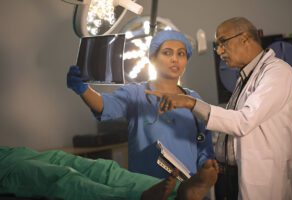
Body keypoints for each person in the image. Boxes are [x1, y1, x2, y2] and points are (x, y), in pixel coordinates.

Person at [145, 17, 292, 200]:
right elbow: (236, 125)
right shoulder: (245, 77)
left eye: (223, 42)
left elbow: (243, 121)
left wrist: (190, 102)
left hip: (261, 179)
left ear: (245, 38)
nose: (219, 51)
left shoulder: (278, 73)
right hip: (231, 177)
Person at [67, 30, 214, 179]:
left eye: (181, 54)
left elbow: (204, 143)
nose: (175, 59)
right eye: (167, 53)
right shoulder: (136, 93)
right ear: (152, 59)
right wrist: (83, 89)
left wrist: (206, 167)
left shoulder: (193, 99)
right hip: (148, 187)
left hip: (186, 188)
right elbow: (104, 105)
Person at [0, 146, 219, 200]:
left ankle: (183, 191)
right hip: (6, 168)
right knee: (60, 176)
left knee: (102, 168)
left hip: (13, 152)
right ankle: (137, 197)